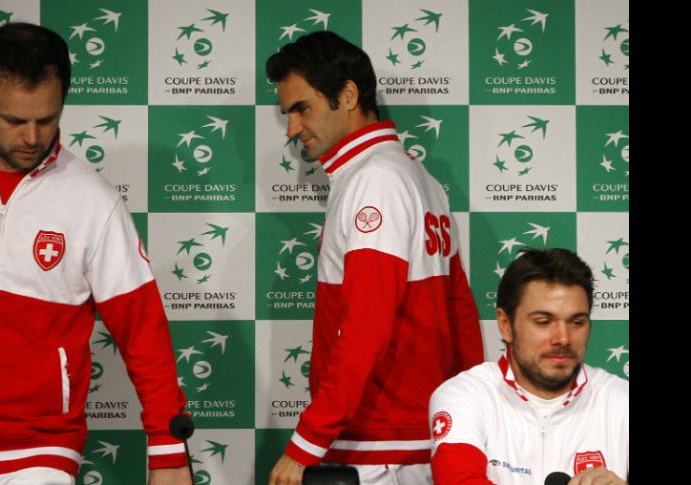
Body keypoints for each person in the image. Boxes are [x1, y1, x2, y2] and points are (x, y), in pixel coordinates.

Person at [265, 31, 485, 485]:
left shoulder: (374, 182)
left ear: (347, 95)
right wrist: (471, 417)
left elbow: (367, 324)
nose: (291, 129)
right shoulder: (416, 176)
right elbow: (459, 308)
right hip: (416, 440)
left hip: (379, 448)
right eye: (287, 113)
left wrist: (307, 441)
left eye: (301, 108)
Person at [0, 23, 192, 485]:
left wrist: (168, 448)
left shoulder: (91, 200)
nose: (33, 137)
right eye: (15, 121)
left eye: (48, 118)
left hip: (40, 448)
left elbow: (143, 331)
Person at [428, 248, 629, 485]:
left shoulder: (621, 401)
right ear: (505, 325)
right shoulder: (465, 394)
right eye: (543, 322)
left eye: (577, 322)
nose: (563, 338)